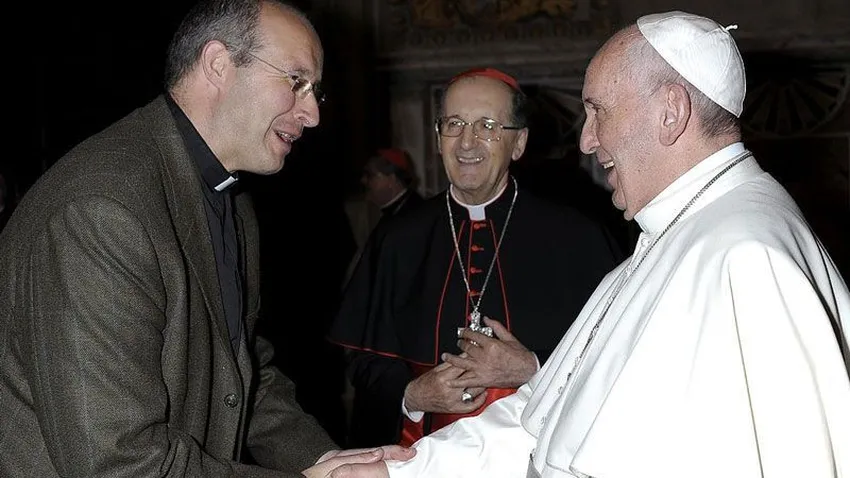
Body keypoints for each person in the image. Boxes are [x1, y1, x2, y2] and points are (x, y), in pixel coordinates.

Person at [329, 10, 850, 478]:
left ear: (670, 111)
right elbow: (544, 418)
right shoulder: (670, 237)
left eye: (599, 111)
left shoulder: (749, 257)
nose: (586, 139)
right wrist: (401, 469)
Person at [0, 0, 414, 476]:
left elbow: (239, 371)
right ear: (218, 64)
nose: (312, 113)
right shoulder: (102, 210)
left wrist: (322, 460)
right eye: (296, 81)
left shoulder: (227, 196)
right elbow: (118, 463)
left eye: (314, 91)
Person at [329, 67, 622, 449]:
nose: (467, 142)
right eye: (454, 124)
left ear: (518, 143)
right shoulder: (398, 237)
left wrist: (533, 367)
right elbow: (363, 358)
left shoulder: (576, 236)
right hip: (422, 454)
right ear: (438, 138)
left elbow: (617, 348)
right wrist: (413, 394)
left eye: (487, 126)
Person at [343, 148, 425, 285]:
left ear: (391, 179)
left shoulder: (414, 216)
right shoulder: (394, 212)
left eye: (370, 175)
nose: (364, 180)